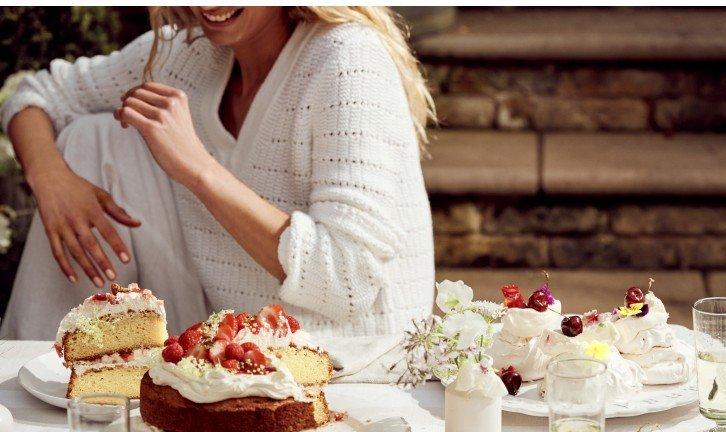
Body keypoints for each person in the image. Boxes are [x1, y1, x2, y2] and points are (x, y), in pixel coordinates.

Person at [0, 6, 435, 339]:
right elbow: (35, 95)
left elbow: (349, 282)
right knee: (89, 139)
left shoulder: (346, 58)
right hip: (226, 334)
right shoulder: (187, 52)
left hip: (350, 360)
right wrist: (50, 180)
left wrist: (198, 168)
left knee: (105, 137)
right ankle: (46, 368)